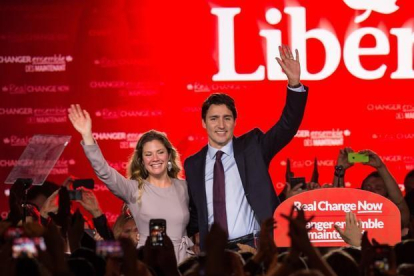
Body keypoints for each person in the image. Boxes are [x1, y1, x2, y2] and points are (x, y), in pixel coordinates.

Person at [184, 45, 308, 250]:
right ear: (204, 123)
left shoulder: (253, 147)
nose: (221, 125)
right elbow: (195, 211)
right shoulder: (193, 164)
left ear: (235, 122)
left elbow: (287, 126)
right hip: (215, 252)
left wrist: (294, 84)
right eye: (214, 119)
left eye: (227, 118)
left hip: (256, 245)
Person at [68, 105, 193, 263]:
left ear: (169, 155)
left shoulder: (184, 187)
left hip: (183, 263)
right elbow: (104, 171)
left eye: (160, 152)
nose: (155, 158)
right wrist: (87, 135)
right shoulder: (134, 189)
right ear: (141, 160)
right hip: (150, 263)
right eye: (148, 154)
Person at [333, 147, 410, 228]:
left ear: (389, 197)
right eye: (368, 188)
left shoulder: (394, 217)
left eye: (378, 188)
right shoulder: (352, 217)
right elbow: (337, 202)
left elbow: (399, 202)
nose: (372, 191)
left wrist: (381, 167)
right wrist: (340, 168)